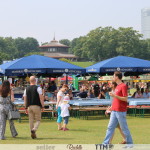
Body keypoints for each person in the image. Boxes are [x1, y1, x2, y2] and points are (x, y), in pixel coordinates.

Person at [102, 71, 133, 147]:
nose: (112, 77)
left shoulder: (123, 86)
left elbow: (125, 98)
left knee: (124, 128)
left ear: (117, 77)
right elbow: (116, 100)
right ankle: (105, 143)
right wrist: (111, 107)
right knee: (110, 128)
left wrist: (114, 95)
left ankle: (130, 144)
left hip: (120, 111)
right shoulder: (117, 87)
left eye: (113, 76)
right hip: (114, 111)